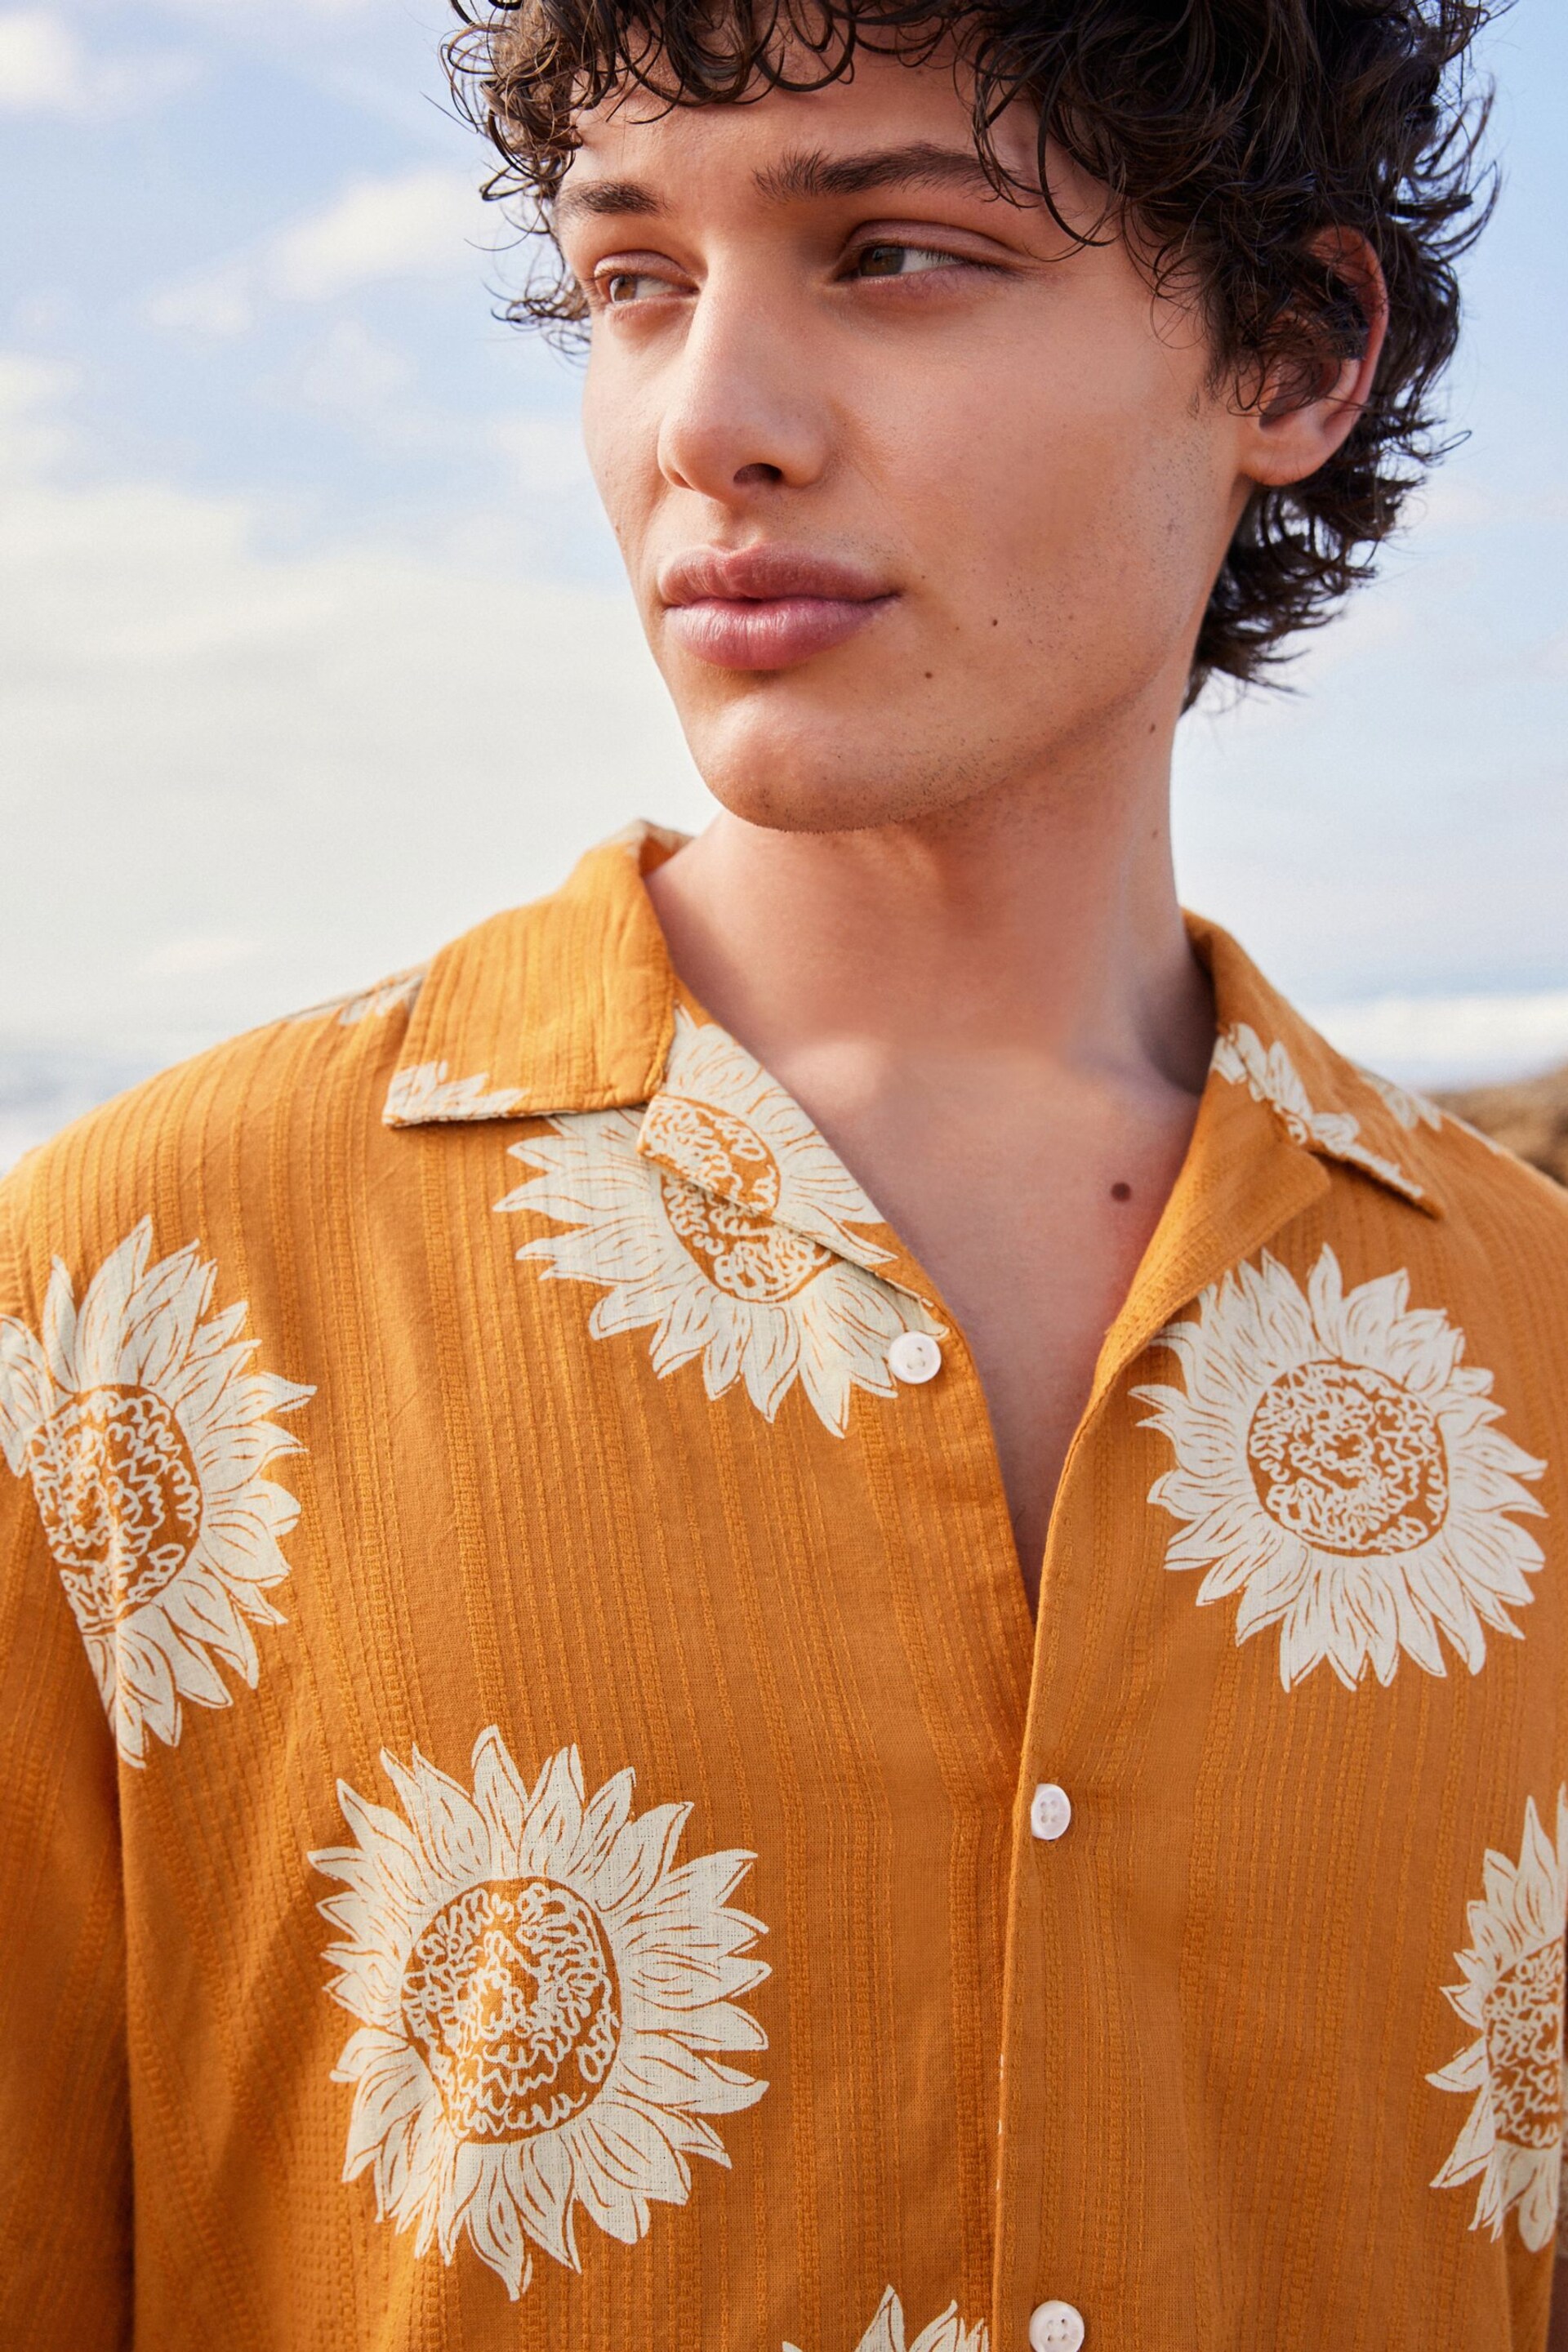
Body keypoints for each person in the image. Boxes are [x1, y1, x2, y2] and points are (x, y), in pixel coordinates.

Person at [2, 1, 1563, 2345]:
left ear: (1296, 356)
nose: (706, 427)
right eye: (632, 283)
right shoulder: (129, 1298)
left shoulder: (1540, 1332)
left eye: (899, 255)